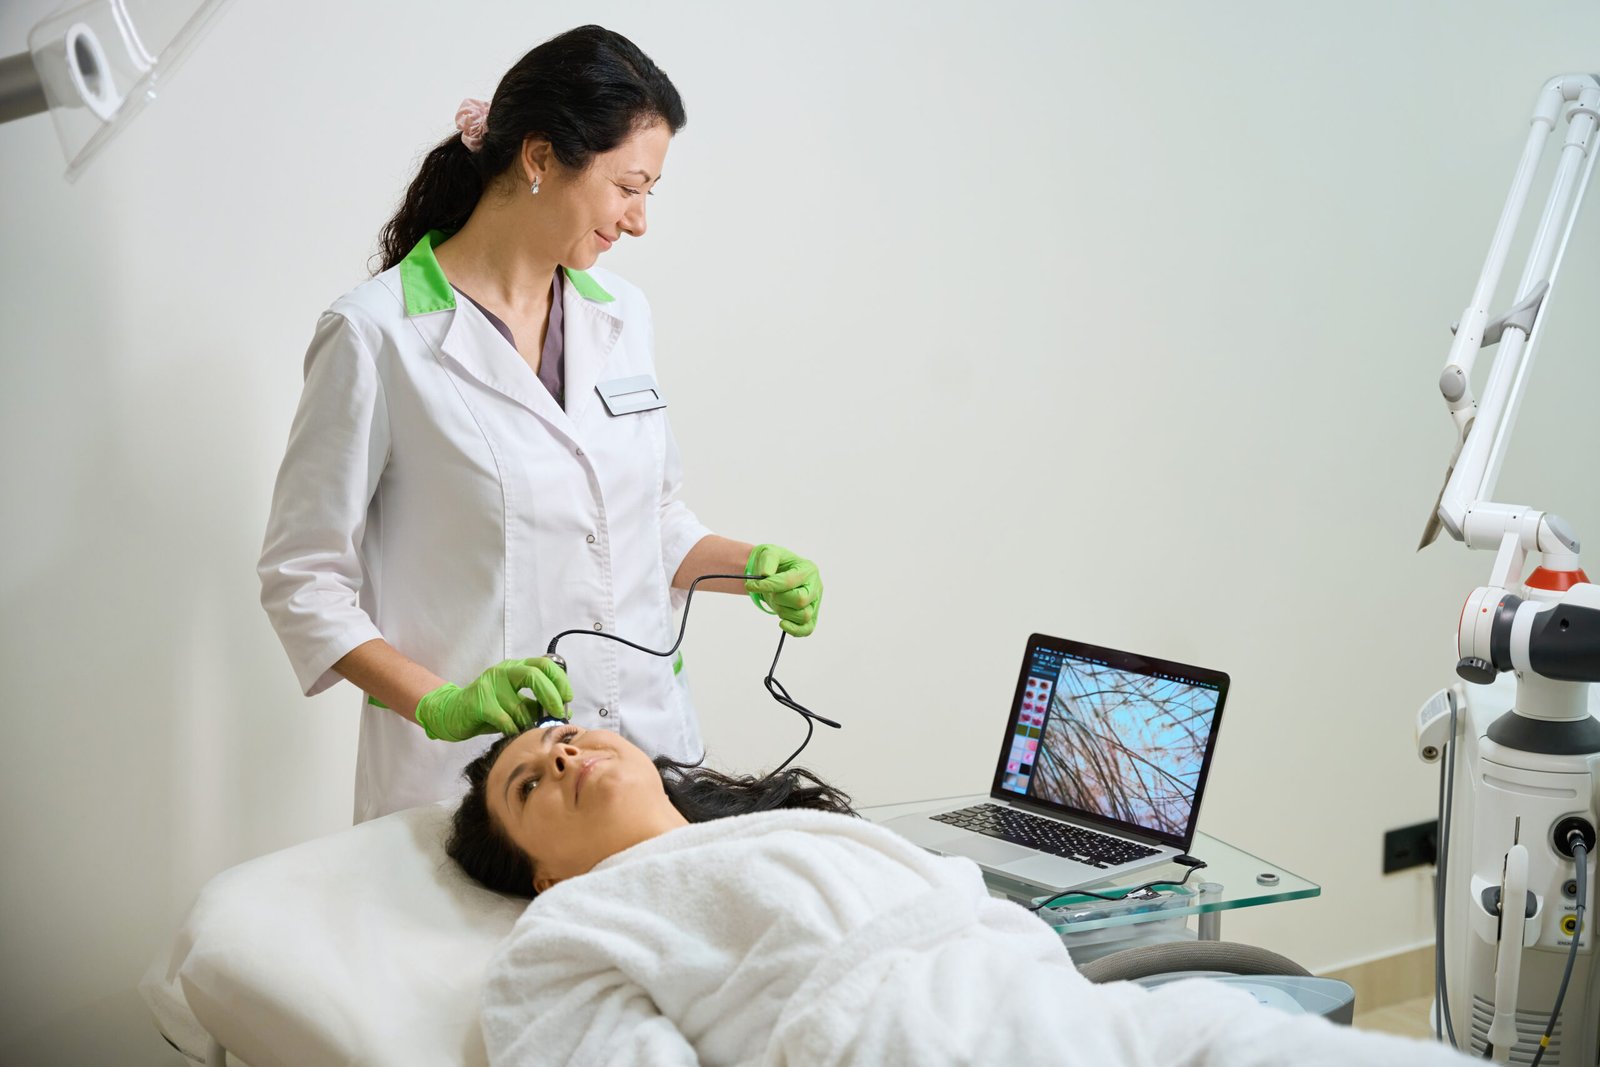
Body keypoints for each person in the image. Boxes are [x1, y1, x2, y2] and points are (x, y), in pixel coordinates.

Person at [257, 25, 822, 822]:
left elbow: (647, 522)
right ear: (539, 157)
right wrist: (442, 704)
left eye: (649, 193)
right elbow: (303, 578)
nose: (638, 221)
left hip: (645, 759)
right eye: (629, 186)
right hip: (475, 783)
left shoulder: (623, 316)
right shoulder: (376, 333)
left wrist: (753, 566)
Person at [453, 726, 1476, 1067]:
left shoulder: (774, 828)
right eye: (529, 782)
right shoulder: (565, 929)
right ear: (538, 867)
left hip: (1081, 1016)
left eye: (569, 734)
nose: (565, 755)